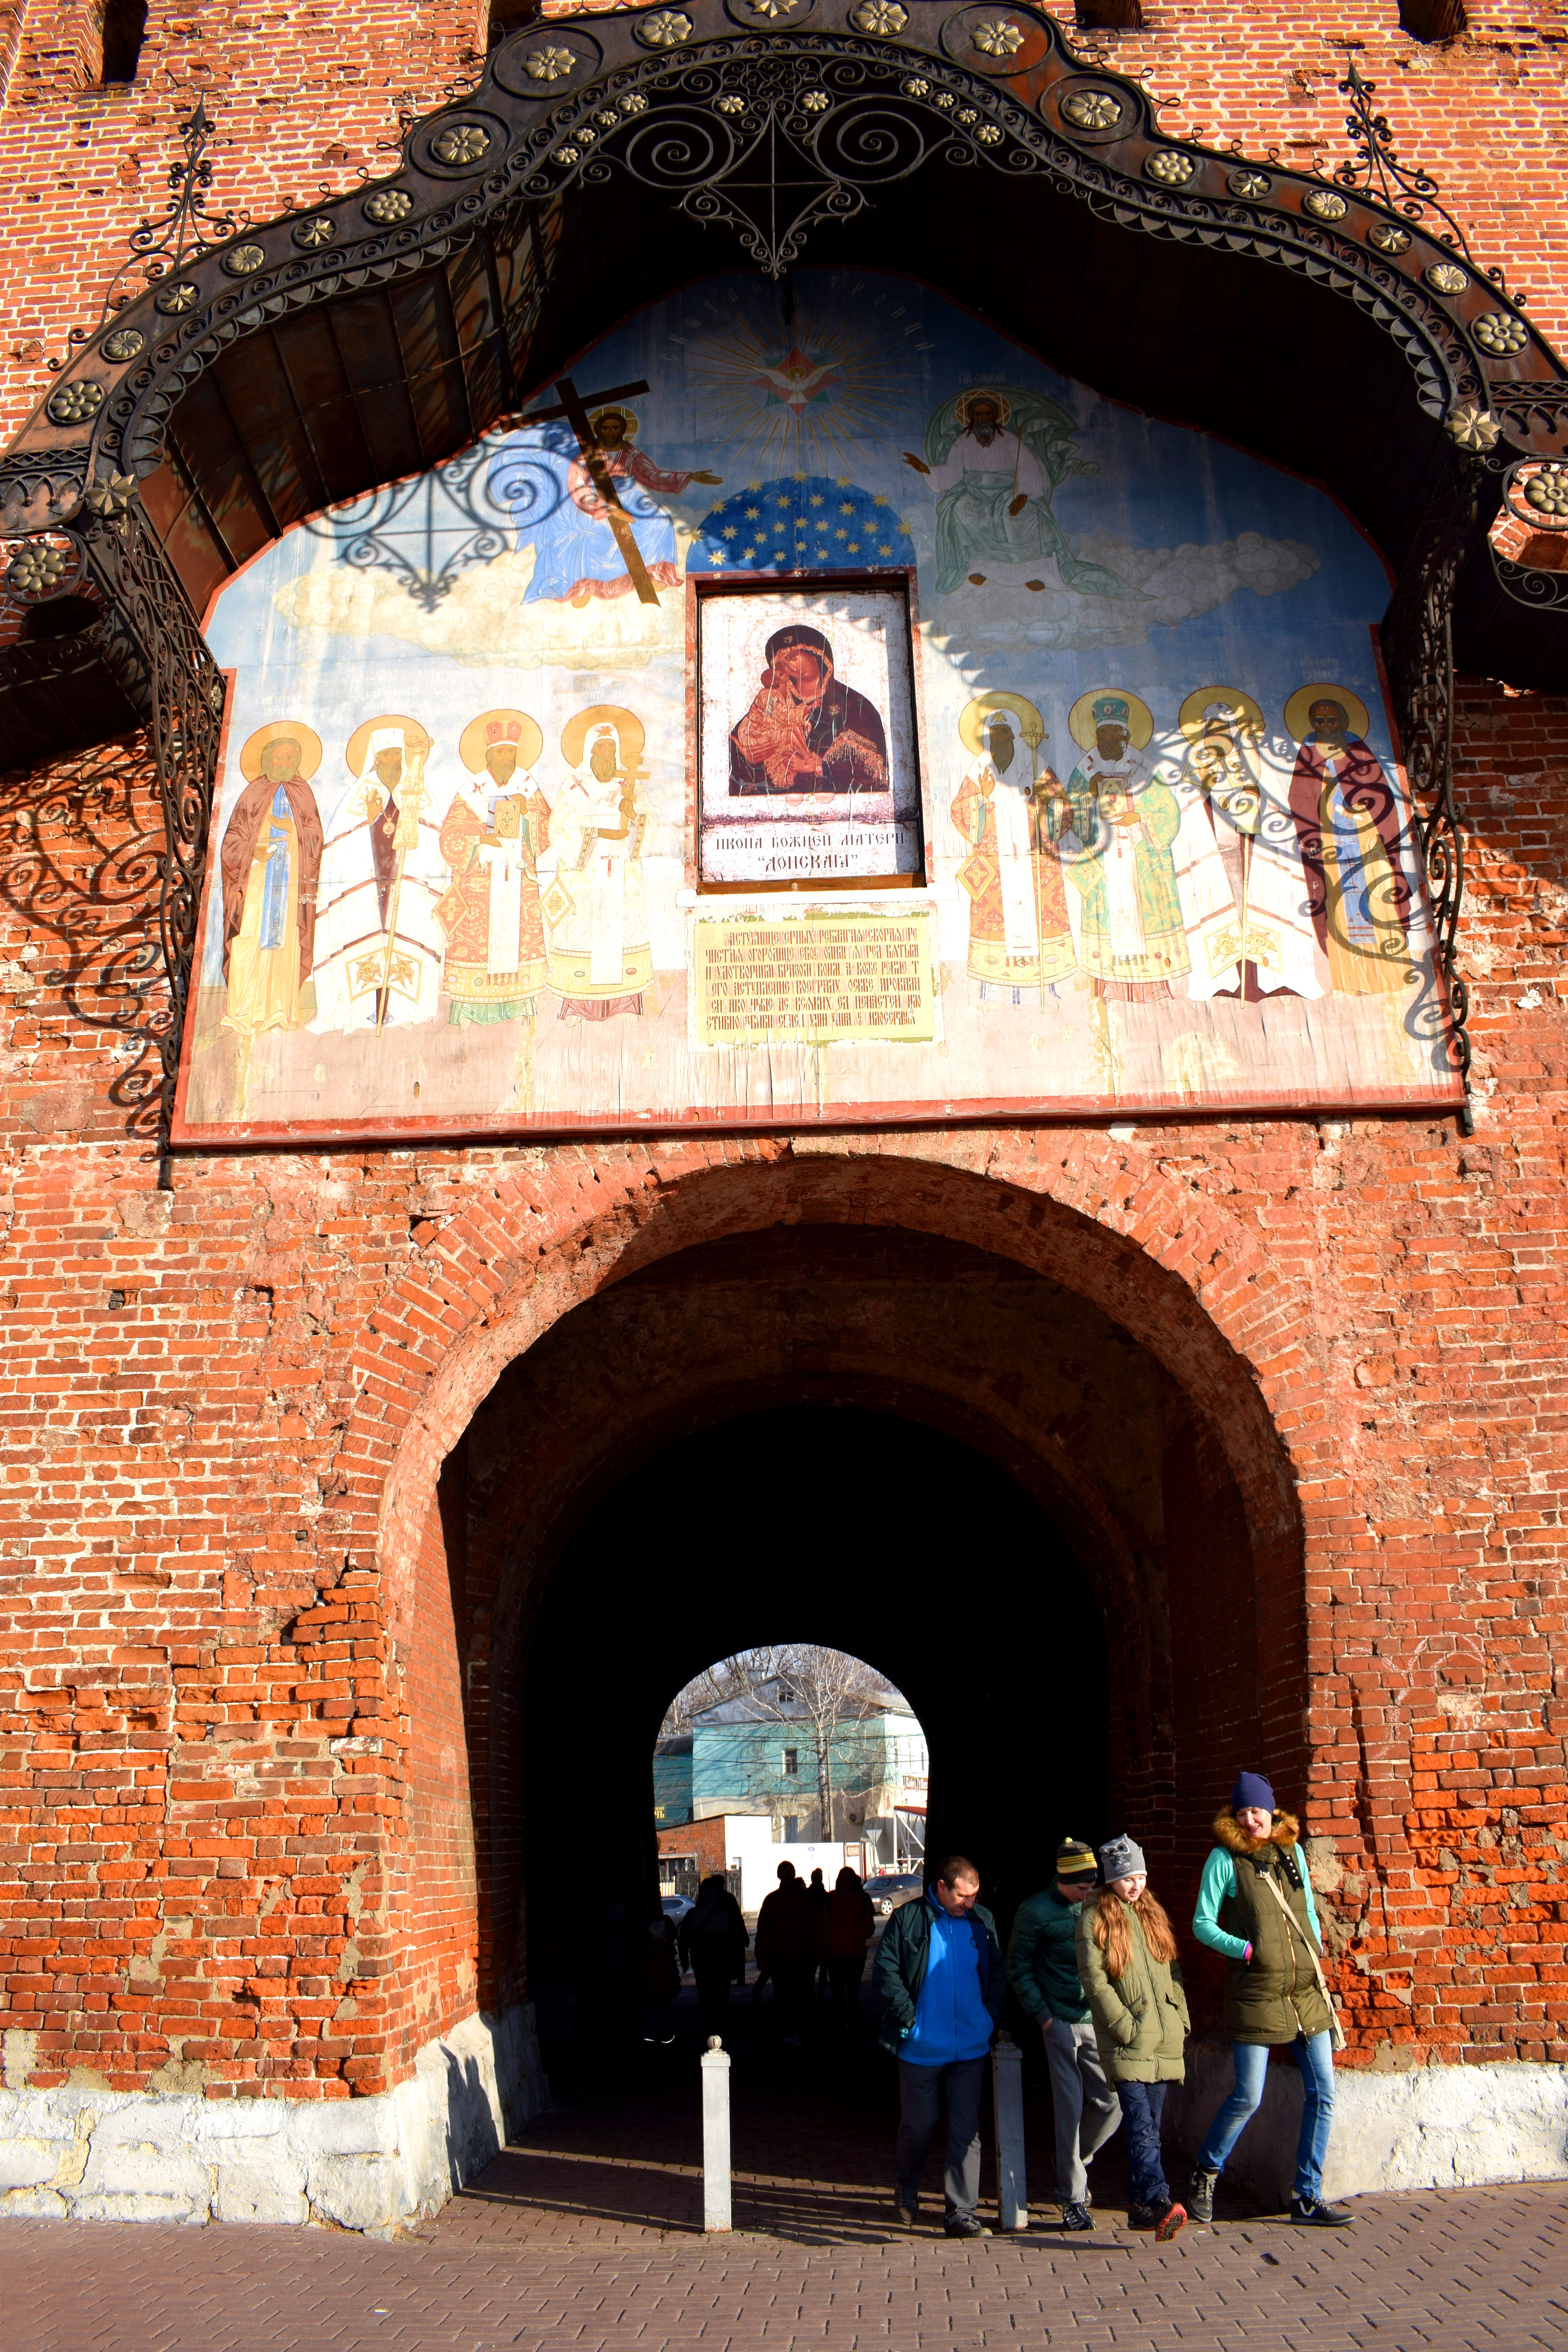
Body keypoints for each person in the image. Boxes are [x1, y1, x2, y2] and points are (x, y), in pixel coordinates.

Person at [1187, 1772, 1351, 2229]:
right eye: (1241, 1813)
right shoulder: (1224, 1860)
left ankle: (1306, 2195)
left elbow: (1307, 1914)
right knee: (1248, 2095)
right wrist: (1246, 1949)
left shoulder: (1292, 1851)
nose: (1250, 1819)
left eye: (1256, 1810)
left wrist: (1314, 1954)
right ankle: (1206, 2170)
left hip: (1304, 1992)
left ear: (1271, 1810)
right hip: (1256, 1992)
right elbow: (1203, 1923)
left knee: (1323, 2093)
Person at [873, 1853, 1007, 2238]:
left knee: (967, 2131)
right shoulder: (908, 1919)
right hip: (920, 2049)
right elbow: (887, 1971)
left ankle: (961, 2213)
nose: (970, 1903)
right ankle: (908, 2183)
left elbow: (997, 1970)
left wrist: (989, 2016)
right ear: (942, 1888)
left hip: (971, 2046)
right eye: (963, 1896)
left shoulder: (982, 1922)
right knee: (919, 2126)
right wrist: (909, 2019)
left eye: (975, 1895)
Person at [1075, 1835, 1189, 2243]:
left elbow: (1172, 1971)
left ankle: (1140, 2207)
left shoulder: (1151, 1914)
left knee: (1152, 2127)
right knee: (1140, 2125)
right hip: (1127, 2043)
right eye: (1126, 1879)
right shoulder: (1095, 1920)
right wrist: (1126, 2028)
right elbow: (1095, 1981)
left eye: (1140, 1876)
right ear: (1110, 1880)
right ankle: (1158, 2201)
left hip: (1162, 2041)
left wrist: (1181, 2019)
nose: (1135, 1885)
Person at [1007, 1837, 1121, 2231]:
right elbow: (1018, 1968)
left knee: (1112, 2101)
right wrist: (1044, 2017)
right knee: (1069, 2110)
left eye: (1093, 1883)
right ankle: (1072, 2198)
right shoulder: (1034, 1911)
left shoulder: (1099, 1905)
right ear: (1062, 1878)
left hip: (1098, 2020)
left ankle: (1073, 2158)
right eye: (1081, 1884)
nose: (1088, 1890)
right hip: (1059, 2023)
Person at [678, 1873, 748, 2043]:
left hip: (701, 1959)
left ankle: (708, 2026)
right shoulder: (726, 1912)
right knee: (722, 1994)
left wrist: (685, 1961)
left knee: (706, 1993)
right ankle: (720, 2027)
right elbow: (734, 1937)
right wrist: (737, 1960)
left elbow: (683, 1940)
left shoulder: (692, 1914)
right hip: (722, 1960)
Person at [755, 1860, 817, 2046]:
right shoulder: (777, 1900)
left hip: (800, 1956)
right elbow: (764, 1930)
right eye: (785, 1872)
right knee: (784, 1998)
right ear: (780, 1875)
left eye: (791, 1872)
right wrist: (761, 1956)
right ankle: (787, 2033)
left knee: (797, 1998)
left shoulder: (803, 1899)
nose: (788, 1875)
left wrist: (818, 1952)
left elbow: (815, 1928)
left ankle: (794, 2032)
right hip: (782, 1957)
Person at [820, 1865, 875, 2034]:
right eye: (842, 1878)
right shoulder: (832, 1900)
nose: (844, 1881)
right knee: (840, 1993)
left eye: (847, 1878)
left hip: (852, 1955)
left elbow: (869, 1927)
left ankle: (850, 2023)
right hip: (839, 1954)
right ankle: (843, 2023)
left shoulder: (859, 1901)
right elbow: (823, 1926)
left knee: (851, 1993)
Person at [643, 1910, 680, 2046]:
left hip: (649, 1991)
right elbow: (672, 1972)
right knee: (664, 2014)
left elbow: (640, 1972)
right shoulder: (668, 1951)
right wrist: (676, 1986)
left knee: (651, 2014)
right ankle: (667, 2039)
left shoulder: (645, 1951)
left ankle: (651, 2038)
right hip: (665, 1991)